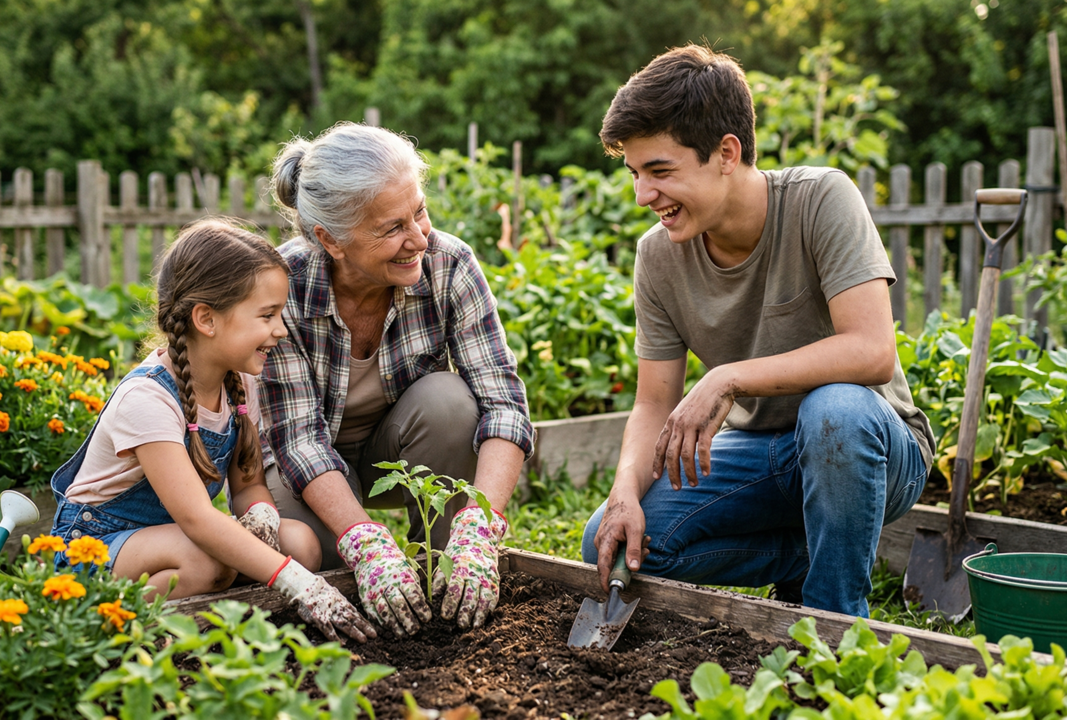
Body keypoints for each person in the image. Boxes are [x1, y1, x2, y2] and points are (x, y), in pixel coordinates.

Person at [579, 45, 936, 617]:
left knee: (835, 410)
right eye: (636, 173)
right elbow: (654, 402)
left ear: (726, 153)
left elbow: (872, 351)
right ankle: (806, 559)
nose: (643, 195)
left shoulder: (821, 199)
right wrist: (625, 489)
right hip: (760, 452)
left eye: (661, 171)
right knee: (616, 541)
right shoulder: (659, 258)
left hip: (872, 442)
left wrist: (729, 378)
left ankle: (836, 622)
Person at [260, 123, 536, 637]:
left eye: (420, 211)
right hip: (307, 469)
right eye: (391, 229)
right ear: (330, 240)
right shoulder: (285, 286)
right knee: (314, 555)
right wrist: (363, 540)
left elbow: (504, 404)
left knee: (451, 401)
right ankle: (363, 563)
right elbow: (298, 439)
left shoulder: (448, 265)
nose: (419, 238)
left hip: (395, 449)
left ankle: (447, 566)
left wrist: (483, 522)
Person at [48, 219, 375, 644]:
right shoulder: (148, 400)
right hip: (96, 544)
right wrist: (296, 582)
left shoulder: (241, 384)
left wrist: (262, 516)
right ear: (206, 319)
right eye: (267, 315)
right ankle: (97, 621)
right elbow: (197, 519)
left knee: (302, 543)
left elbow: (248, 484)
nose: (280, 329)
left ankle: (218, 617)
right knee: (208, 563)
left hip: (171, 539)